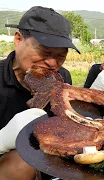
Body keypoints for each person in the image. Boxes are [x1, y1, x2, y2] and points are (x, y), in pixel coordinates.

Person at [0, 6, 80, 180]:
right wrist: (1, 141)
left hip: (47, 161)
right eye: (45, 52)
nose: (52, 62)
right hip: (9, 166)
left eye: (61, 55)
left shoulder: (62, 77)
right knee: (20, 164)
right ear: (18, 39)